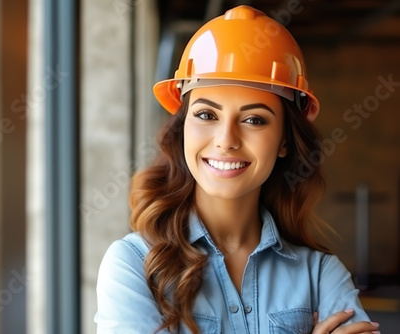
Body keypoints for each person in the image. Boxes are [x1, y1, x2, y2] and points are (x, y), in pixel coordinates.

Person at [95, 5, 379, 334]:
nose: (226, 140)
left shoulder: (321, 275)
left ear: (284, 140)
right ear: (183, 125)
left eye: (254, 119)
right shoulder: (133, 265)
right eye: (206, 115)